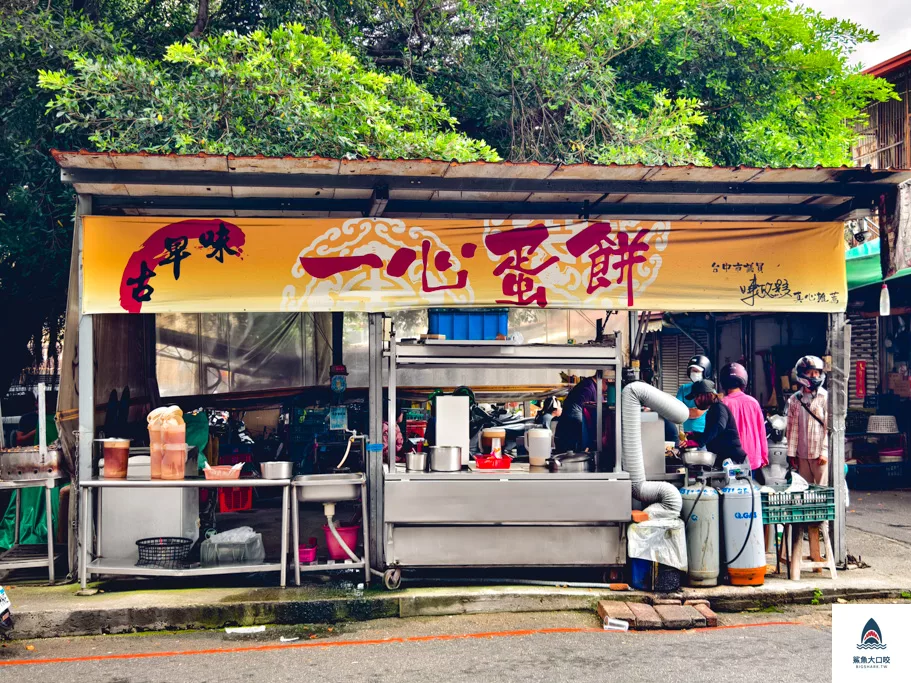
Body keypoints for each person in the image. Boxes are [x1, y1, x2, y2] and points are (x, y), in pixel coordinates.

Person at [786, 355, 828, 564]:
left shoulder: (825, 398)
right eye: (811, 373)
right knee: (804, 498)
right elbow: (792, 429)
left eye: (818, 373)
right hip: (802, 455)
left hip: (820, 457)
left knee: (820, 499)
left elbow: (828, 428)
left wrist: (825, 452)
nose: (815, 376)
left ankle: (819, 542)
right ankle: (804, 542)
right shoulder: (794, 400)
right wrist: (791, 453)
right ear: (802, 375)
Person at [719, 363, 768, 482]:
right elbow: (761, 431)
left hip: (731, 461)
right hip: (752, 460)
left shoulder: (723, 403)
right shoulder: (753, 402)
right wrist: (764, 456)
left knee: (733, 494)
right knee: (749, 492)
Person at [682, 380, 748, 468]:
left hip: (734, 461)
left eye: (696, 396)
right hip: (723, 459)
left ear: (706, 394)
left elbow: (719, 426)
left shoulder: (719, 408)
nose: (695, 400)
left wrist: (698, 442)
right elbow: (714, 434)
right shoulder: (713, 409)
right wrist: (693, 435)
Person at [554, 376, 598, 453]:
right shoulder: (588, 387)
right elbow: (574, 413)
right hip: (569, 436)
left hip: (566, 432)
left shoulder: (588, 385)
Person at [676, 355, 712, 435]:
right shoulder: (683, 388)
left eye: (697, 371)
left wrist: (684, 411)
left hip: (704, 434)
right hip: (687, 433)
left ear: (705, 372)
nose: (694, 373)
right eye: (692, 371)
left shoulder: (709, 391)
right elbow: (676, 411)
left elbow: (696, 413)